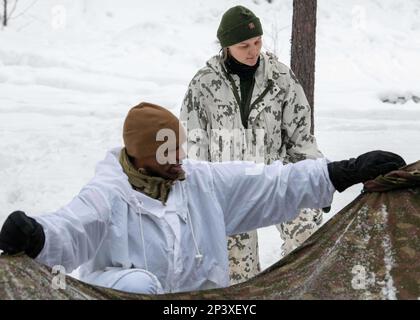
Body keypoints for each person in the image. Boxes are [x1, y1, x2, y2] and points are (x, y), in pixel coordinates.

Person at [0, 102, 405, 294]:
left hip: (201, 306)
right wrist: (37, 236)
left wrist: (340, 172)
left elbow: (270, 184)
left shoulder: (200, 182)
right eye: (167, 151)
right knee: (139, 284)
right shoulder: (106, 196)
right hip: (127, 297)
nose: (180, 158)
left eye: (179, 147)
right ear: (141, 156)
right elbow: (71, 229)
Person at [180, 5, 324, 284]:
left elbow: (301, 139)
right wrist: (197, 196)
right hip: (229, 189)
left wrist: (316, 180)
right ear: (226, 46)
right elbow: (193, 145)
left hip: (276, 180)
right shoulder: (203, 84)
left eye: (257, 42)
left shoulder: (281, 78)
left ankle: (292, 289)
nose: (253, 50)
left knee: (308, 233)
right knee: (238, 276)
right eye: (243, 45)